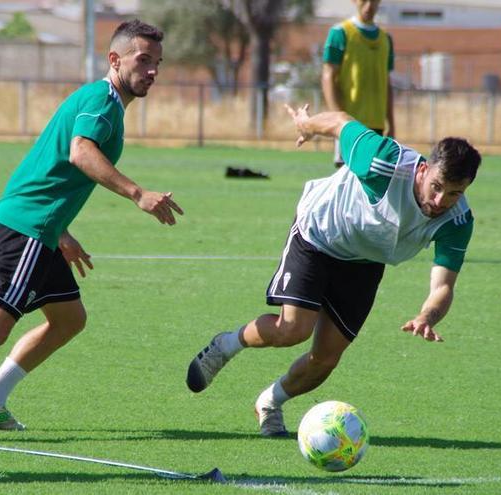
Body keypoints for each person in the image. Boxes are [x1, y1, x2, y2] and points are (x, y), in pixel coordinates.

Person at [0, 19, 181, 440]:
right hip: (26, 228)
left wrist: (61, 231)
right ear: (114, 59)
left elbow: (52, 168)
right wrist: (137, 193)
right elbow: (80, 153)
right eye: (143, 60)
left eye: (158, 63)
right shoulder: (102, 100)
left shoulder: (103, 102)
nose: (152, 70)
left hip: (42, 229)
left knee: (68, 319)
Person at [185, 104, 481, 437]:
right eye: (437, 187)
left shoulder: (457, 221)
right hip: (319, 232)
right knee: (292, 330)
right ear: (424, 170)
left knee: (325, 359)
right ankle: (225, 345)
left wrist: (428, 316)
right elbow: (342, 122)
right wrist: (307, 124)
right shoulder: (383, 160)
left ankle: (269, 403)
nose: (441, 201)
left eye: (455, 193)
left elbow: (443, 286)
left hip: (365, 261)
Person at [322, 0, 395, 167]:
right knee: (346, 180)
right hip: (350, 125)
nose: (369, 6)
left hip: (376, 125)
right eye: (364, 0)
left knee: (373, 184)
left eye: (374, 1)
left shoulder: (386, 39)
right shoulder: (340, 33)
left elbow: (387, 84)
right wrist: (338, 120)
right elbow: (328, 77)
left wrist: (391, 123)